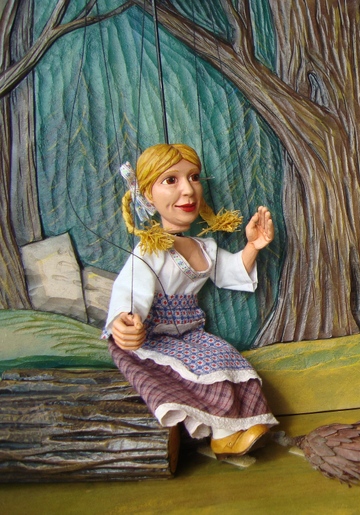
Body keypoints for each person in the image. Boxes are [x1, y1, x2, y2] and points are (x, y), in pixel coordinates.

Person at [103, 143, 278, 458]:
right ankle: (223, 433)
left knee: (226, 357)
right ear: (147, 195)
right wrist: (125, 320)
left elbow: (230, 271)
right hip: (154, 337)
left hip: (189, 332)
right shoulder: (151, 248)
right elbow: (131, 289)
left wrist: (253, 246)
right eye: (171, 180)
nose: (188, 190)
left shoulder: (204, 246)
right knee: (204, 369)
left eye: (194, 177)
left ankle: (239, 428)